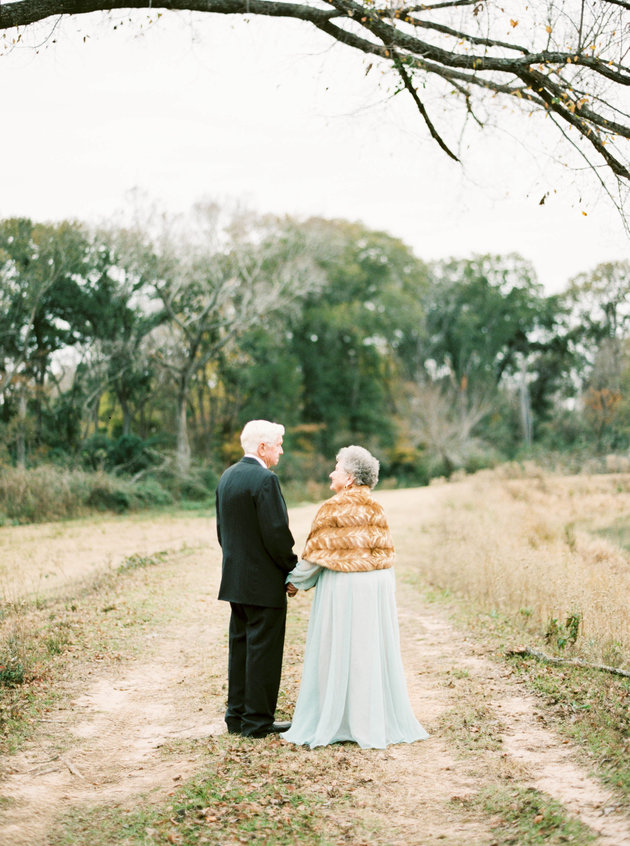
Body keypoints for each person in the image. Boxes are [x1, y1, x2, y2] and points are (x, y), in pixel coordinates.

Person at [282, 445, 429, 749]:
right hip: (376, 586)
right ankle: (368, 718)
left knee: (338, 648)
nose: (331, 473)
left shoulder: (332, 508)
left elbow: (315, 557)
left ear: (349, 478)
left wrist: (293, 582)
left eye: (336, 468)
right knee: (367, 650)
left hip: (345, 585)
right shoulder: (377, 508)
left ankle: (340, 718)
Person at [216, 419, 298, 738]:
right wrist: (290, 568)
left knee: (241, 649)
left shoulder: (227, 477)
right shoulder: (266, 480)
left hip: (235, 580)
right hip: (263, 582)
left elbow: (222, 532)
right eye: (278, 444)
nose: (281, 450)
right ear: (262, 447)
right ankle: (257, 722)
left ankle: (236, 717)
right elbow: (276, 533)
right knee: (263, 652)